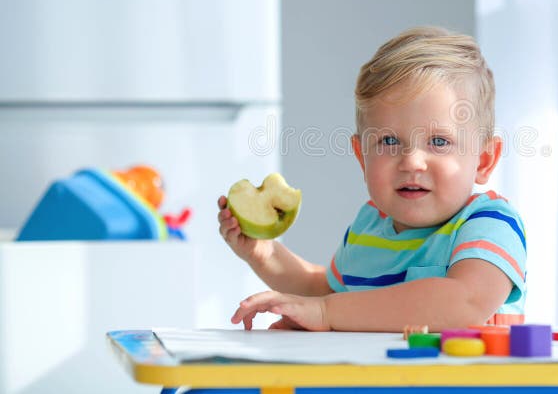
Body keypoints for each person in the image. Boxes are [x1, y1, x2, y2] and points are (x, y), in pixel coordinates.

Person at [217, 26, 526, 332]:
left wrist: (326, 312)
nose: (412, 162)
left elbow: (464, 304)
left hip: (467, 384)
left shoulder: (490, 223)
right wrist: (264, 254)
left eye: (439, 142)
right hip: (378, 382)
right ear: (362, 156)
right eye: (389, 141)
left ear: (483, 160)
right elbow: (325, 291)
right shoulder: (369, 226)